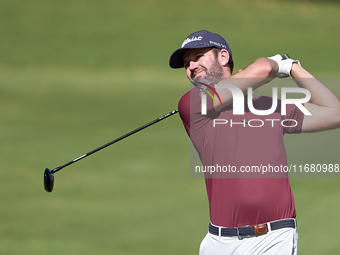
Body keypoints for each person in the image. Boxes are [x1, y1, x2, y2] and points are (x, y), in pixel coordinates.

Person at [169, 30, 340, 255]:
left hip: (274, 237)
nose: (191, 66)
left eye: (198, 56)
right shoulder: (191, 104)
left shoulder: (269, 107)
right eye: (186, 63)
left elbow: (334, 113)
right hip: (219, 242)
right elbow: (265, 68)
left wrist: (295, 68)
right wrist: (281, 65)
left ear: (223, 56)